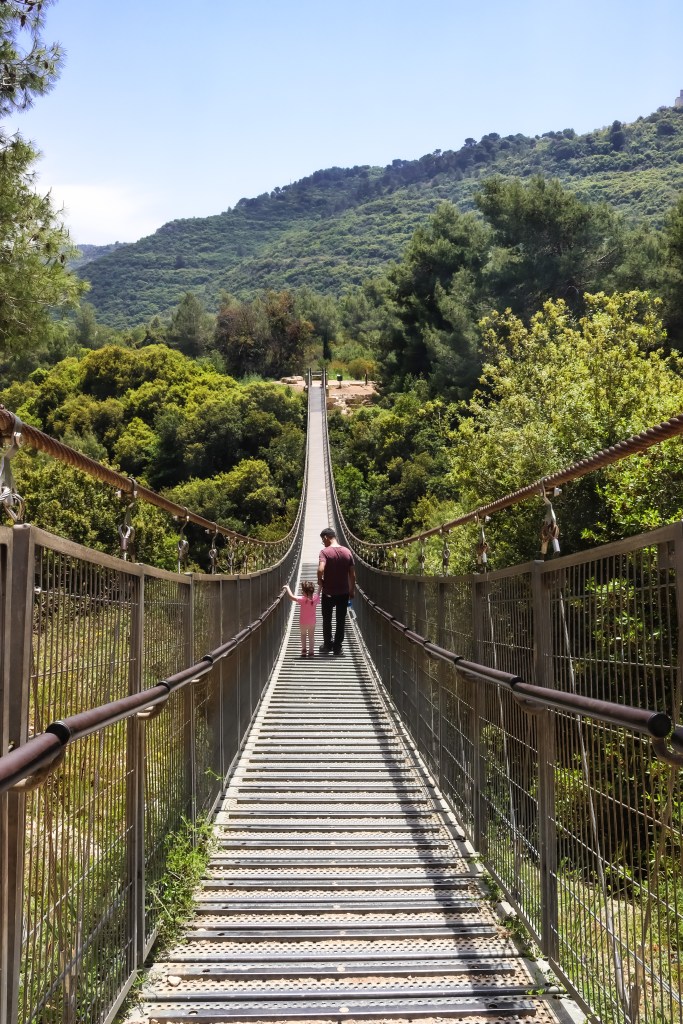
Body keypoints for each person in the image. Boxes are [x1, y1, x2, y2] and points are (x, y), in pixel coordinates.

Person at [317, 527, 355, 656]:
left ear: (326, 537)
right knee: (340, 620)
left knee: (327, 619)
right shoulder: (347, 552)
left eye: (323, 540)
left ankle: (328, 645)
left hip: (328, 592)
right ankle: (338, 648)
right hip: (343, 593)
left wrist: (319, 580)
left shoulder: (324, 552)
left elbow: (321, 569)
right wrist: (352, 590)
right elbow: (352, 575)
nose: (323, 543)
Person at [283, 580, 320, 657]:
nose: (301, 592)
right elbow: (319, 592)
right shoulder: (315, 598)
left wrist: (287, 588)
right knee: (311, 637)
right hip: (312, 622)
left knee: (303, 635)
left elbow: (291, 596)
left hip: (303, 622)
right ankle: (311, 652)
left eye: (302, 590)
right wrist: (321, 585)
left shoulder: (302, 599)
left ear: (305, 592)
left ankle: (303, 650)